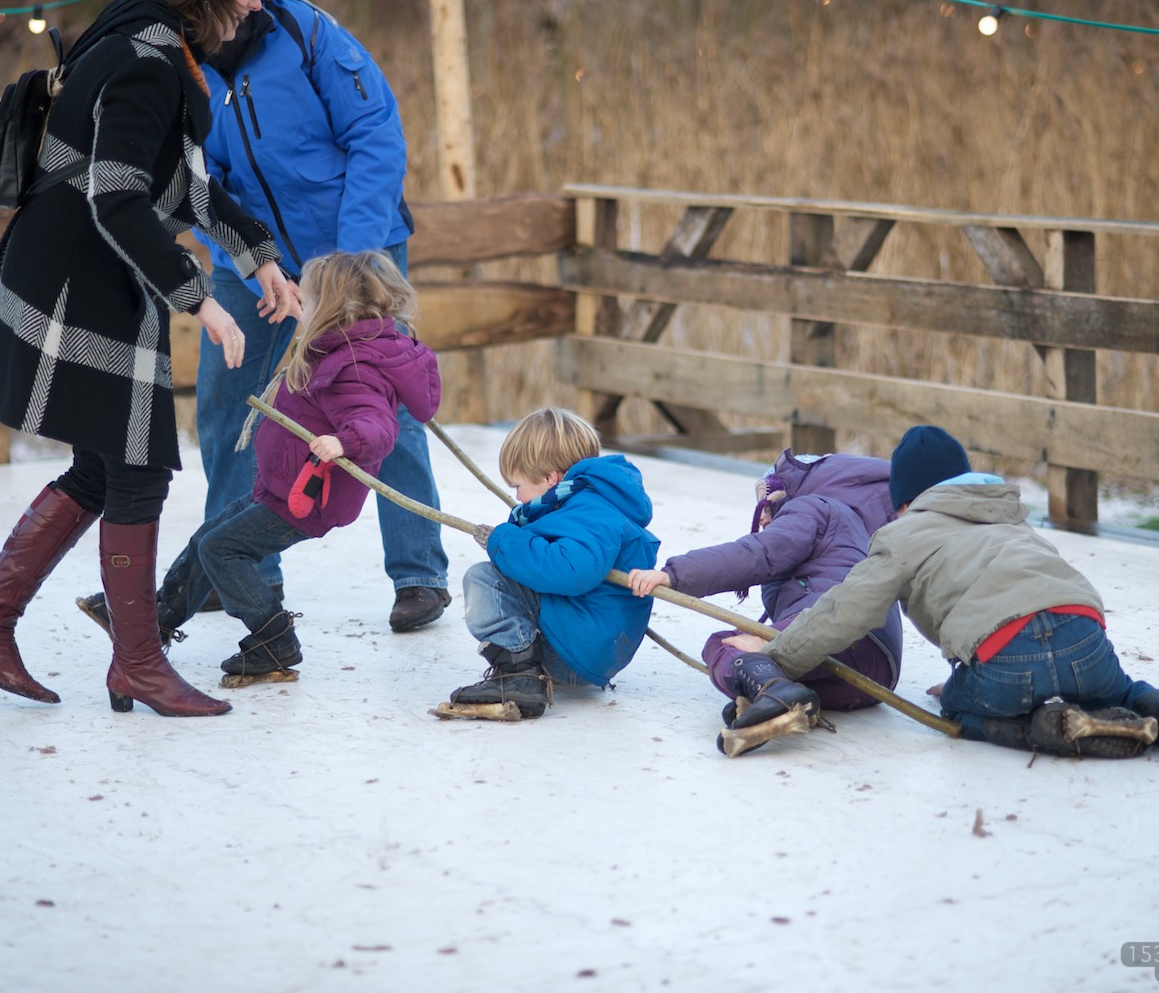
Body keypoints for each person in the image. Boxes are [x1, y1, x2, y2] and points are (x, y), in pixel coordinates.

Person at [0, 0, 301, 717]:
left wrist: (258, 254)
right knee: (135, 468)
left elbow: (183, 186)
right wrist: (201, 299)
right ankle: (135, 664)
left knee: (106, 468)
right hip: (80, 281)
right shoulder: (147, 60)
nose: (254, 3)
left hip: (81, 268)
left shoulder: (151, 39)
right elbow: (117, 199)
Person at [752, 425, 1159, 760]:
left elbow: (845, 610)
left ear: (906, 500)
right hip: (1085, 634)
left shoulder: (903, 534)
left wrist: (778, 655)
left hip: (1004, 659)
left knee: (958, 705)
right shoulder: (1013, 521)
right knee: (1127, 689)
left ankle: (1052, 730)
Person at [191, 0, 451, 633]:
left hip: (355, 246)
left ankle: (418, 571)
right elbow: (193, 181)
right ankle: (240, 567)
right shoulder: (176, 59)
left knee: (380, 396)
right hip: (254, 259)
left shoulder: (307, 34)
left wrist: (349, 266)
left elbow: (375, 135)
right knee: (229, 400)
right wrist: (253, 261)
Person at [76, 250, 441, 682]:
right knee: (209, 538)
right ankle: (158, 619)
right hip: (281, 484)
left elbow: (377, 424)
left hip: (308, 495)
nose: (300, 305)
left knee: (222, 550)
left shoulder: (356, 366)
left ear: (332, 308)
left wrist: (345, 441)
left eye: (307, 299)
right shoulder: (344, 344)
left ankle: (274, 639)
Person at [629, 449, 904, 755]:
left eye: (766, 502)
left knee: (726, 645)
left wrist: (674, 575)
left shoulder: (813, 507)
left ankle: (772, 689)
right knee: (762, 657)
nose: (761, 517)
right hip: (872, 680)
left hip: (833, 629)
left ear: (788, 491)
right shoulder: (861, 534)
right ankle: (786, 701)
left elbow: (759, 554)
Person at [445, 408, 659, 719]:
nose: (518, 498)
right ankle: (525, 669)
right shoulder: (591, 503)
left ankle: (520, 675)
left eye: (518, 486)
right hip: (589, 648)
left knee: (485, 578)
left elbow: (572, 572)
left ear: (549, 478)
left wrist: (505, 540)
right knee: (516, 575)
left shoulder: (590, 512)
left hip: (575, 651)